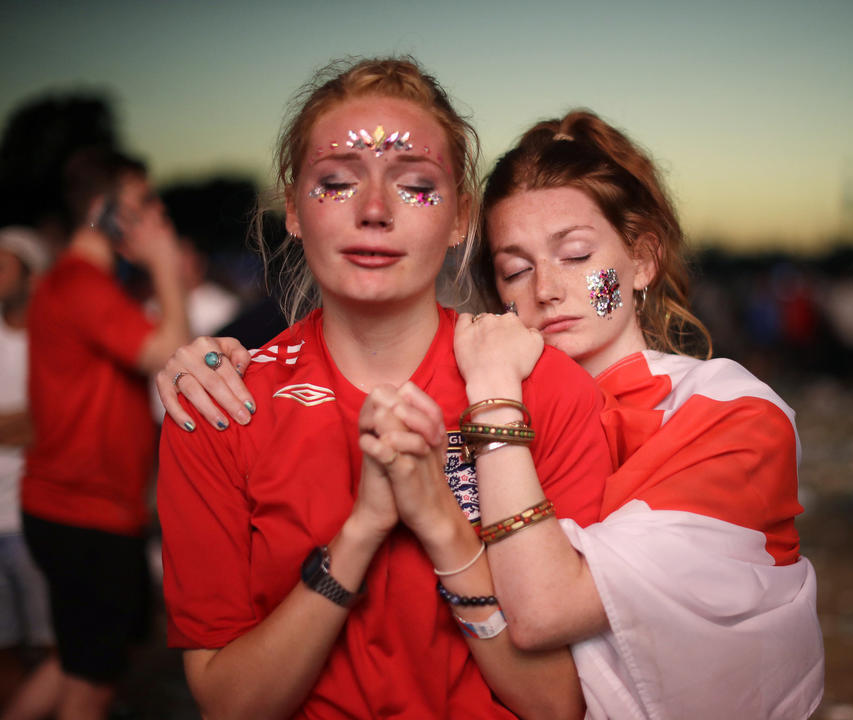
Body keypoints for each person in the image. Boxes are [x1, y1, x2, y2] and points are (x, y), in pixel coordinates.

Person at [162, 108, 825, 719]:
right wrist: (216, 360)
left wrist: (495, 395)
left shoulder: (727, 412)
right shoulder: (487, 396)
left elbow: (541, 614)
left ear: (643, 259)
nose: (547, 288)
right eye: (514, 268)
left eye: (577, 255)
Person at [155, 57, 609, 719]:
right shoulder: (221, 405)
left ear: (461, 218)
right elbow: (229, 705)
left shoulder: (546, 390)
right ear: (293, 210)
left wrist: (439, 523)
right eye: (337, 183)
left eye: (416, 184)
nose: (373, 211)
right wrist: (362, 531)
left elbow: (559, 703)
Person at [21, 149, 189, 720]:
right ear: (104, 209)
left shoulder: (80, 284)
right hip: (84, 510)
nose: (154, 215)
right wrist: (165, 262)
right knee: (93, 681)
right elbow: (171, 357)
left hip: (77, 506)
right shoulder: (79, 283)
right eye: (142, 202)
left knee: (78, 661)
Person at [0, 227, 60, 720]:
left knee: (50, 644)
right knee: (4, 651)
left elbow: (55, 421)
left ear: (32, 274)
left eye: (4, 264)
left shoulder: (54, 341)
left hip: (33, 517)